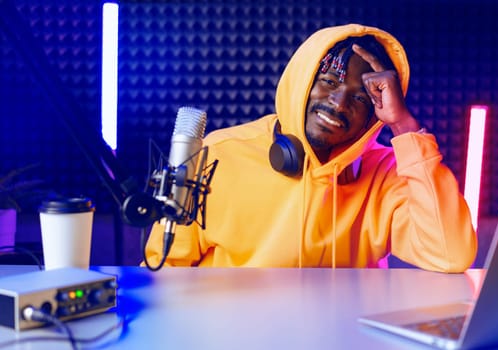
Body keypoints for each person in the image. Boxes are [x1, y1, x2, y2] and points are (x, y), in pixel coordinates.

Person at [143, 23, 477, 272]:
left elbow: (451, 254)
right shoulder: (219, 154)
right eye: (329, 81)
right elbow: (166, 269)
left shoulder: (390, 173)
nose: (339, 103)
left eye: (361, 98)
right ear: (302, 80)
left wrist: (403, 126)